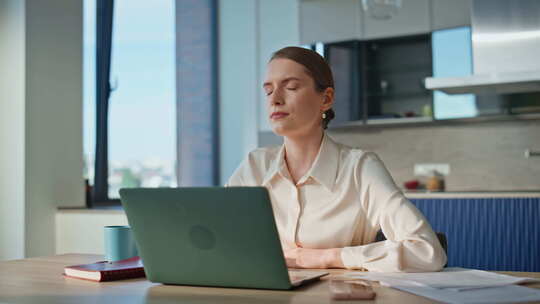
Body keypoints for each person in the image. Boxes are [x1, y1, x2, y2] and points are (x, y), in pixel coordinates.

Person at [227, 46, 447, 272]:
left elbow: (427, 252)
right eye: (268, 91)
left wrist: (327, 257)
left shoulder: (360, 168)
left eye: (291, 87)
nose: (275, 99)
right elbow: (219, 241)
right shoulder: (254, 166)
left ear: (326, 98)